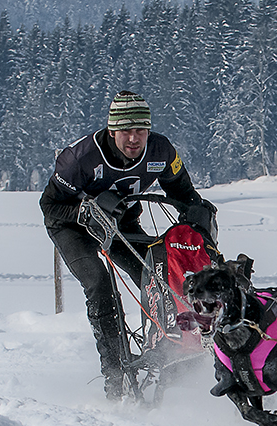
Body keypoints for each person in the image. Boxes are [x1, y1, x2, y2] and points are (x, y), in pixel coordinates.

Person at [40, 90, 214, 399]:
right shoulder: (80, 159)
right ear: (112, 130)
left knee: (156, 278)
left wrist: (199, 219)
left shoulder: (161, 151)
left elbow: (185, 196)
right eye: (126, 131)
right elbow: (49, 205)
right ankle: (115, 373)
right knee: (100, 285)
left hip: (121, 222)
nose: (134, 139)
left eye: (140, 131)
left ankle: (166, 347)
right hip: (71, 226)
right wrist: (82, 213)